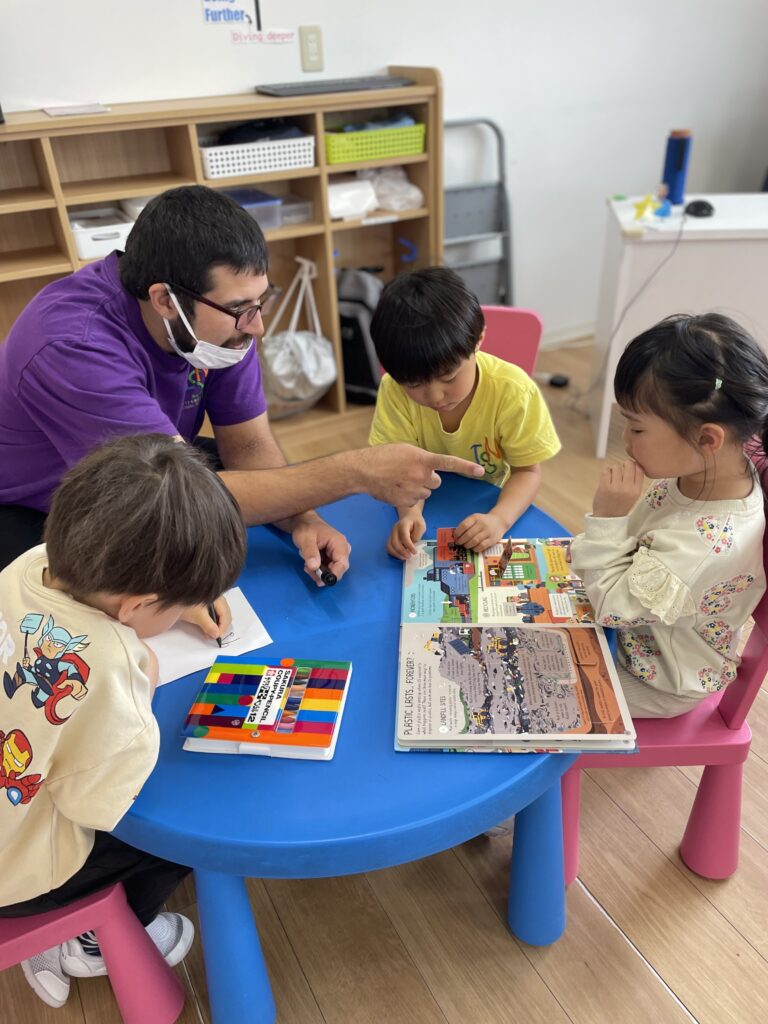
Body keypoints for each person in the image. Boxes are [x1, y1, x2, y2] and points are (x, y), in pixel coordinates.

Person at [0, 186, 483, 601]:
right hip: (38, 507)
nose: (257, 326)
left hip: (156, 462)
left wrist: (302, 519)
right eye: (241, 309)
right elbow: (173, 499)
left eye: (261, 301)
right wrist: (357, 471)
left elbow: (248, 444)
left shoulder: (220, 324)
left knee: (239, 503)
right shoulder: (73, 346)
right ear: (166, 300)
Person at [0, 433, 248, 1008]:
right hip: (17, 875)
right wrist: (141, 670)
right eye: (172, 603)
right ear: (136, 605)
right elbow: (100, 805)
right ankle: (87, 938)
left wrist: (161, 607)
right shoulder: (109, 668)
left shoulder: (29, 565)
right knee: (183, 827)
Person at [570, 313, 768, 718]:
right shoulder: (709, 469)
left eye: (637, 429)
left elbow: (611, 607)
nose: (625, 441)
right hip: (638, 628)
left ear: (707, 438)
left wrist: (607, 520)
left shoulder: (703, 548)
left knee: (540, 688)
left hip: (659, 677)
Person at [367, 267, 561, 556]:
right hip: (425, 496)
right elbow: (401, 468)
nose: (435, 396)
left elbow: (528, 472)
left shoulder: (514, 391)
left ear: (478, 340)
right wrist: (409, 513)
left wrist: (500, 519)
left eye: (449, 377)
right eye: (414, 384)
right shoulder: (393, 389)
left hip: (490, 500)